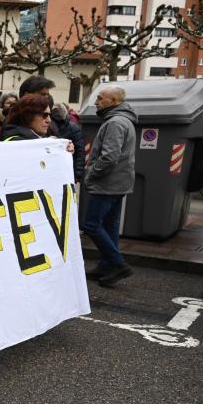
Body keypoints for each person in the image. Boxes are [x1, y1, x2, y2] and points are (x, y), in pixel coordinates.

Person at [83, 86, 137, 287]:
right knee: (110, 224)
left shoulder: (115, 122)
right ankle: (107, 265)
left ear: (113, 101)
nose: (96, 102)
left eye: (100, 98)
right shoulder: (124, 120)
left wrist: (91, 174)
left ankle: (118, 264)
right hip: (119, 182)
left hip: (107, 183)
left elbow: (109, 157)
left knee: (91, 224)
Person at [19, 75, 85, 181]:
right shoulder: (13, 124)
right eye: (42, 95)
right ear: (27, 95)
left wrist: (62, 148)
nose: (47, 99)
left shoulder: (51, 125)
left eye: (48, 95)